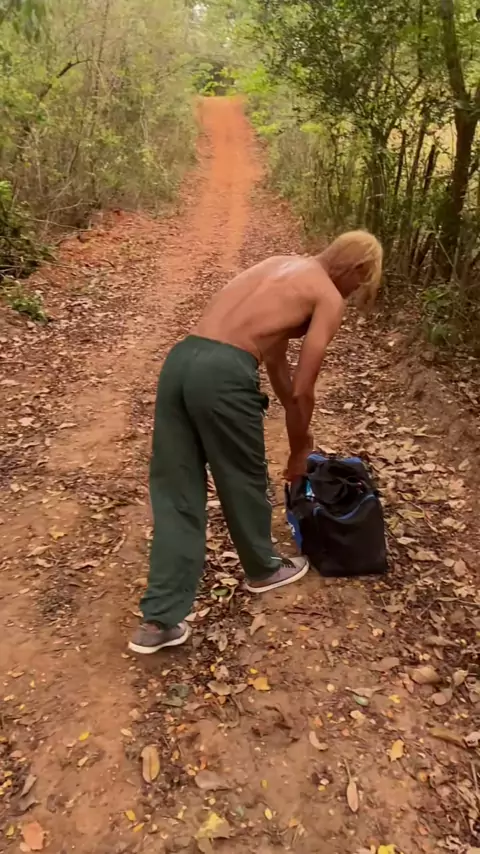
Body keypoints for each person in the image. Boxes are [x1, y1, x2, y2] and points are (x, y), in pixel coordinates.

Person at [129, 230, 383, 654]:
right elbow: (303, 388)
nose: (355, 292)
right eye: (361, 282)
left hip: (181, 362)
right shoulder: (327, 296)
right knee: (243, 477)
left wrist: (295, 422)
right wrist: (300, 449)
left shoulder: (281, 266)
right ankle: (263, 568)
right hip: (223, 373)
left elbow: (278, 364)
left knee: (176, 491)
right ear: (355, 268)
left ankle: (158, 620)